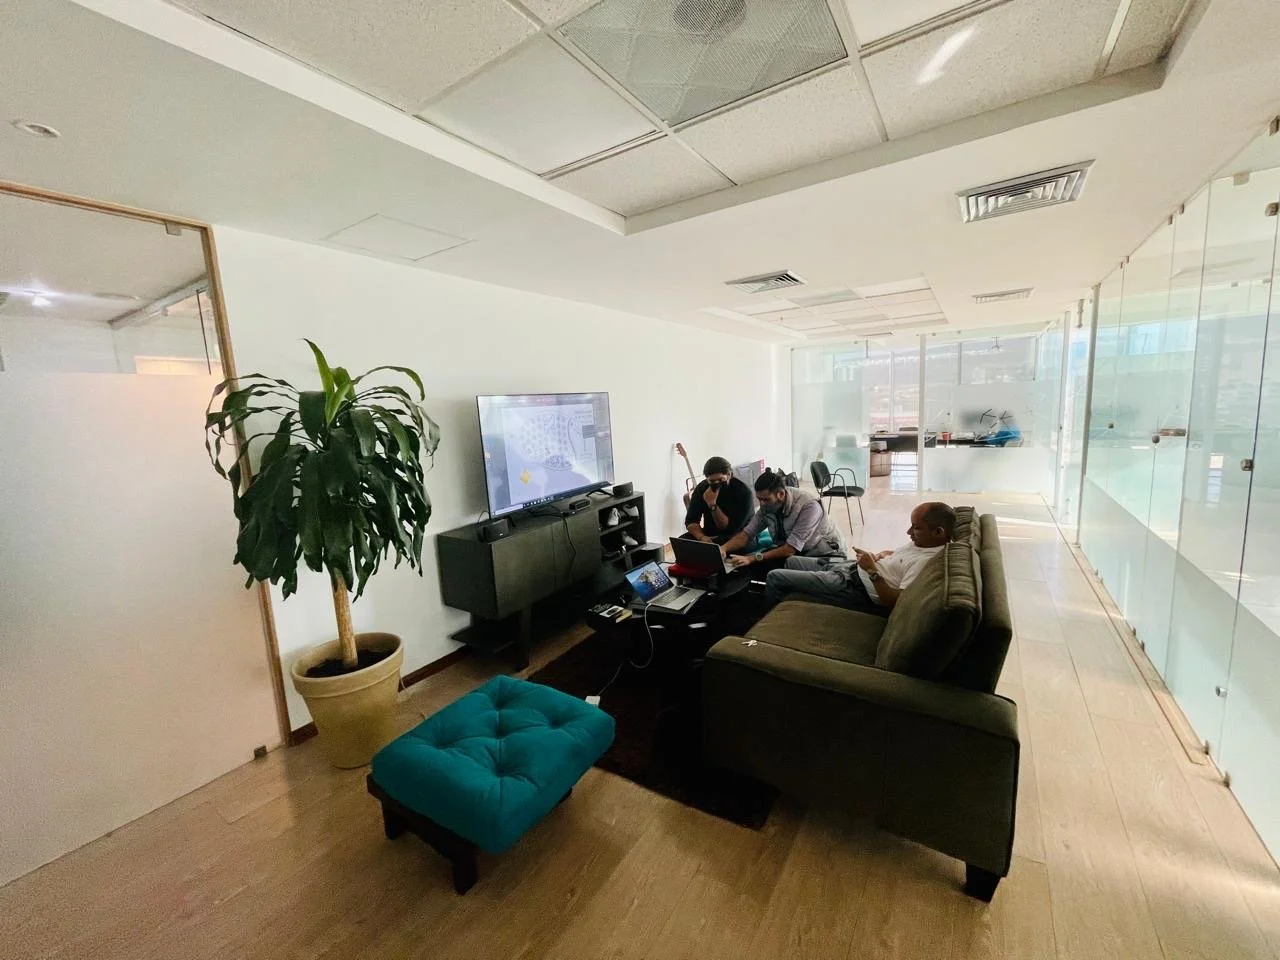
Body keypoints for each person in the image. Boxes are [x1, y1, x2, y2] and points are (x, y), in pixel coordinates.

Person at [764, 502, 956, 615]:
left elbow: (896, 603)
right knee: (790, 561)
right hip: (850, 567)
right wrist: (878, 556)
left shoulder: (926, 562)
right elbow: (895, 555)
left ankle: (765, 621)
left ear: (938, 532)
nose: (909, 532)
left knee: (775, 576)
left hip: (852, 585)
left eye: (916, 528)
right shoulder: (923, 543)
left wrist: (872, 569)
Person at [719, 469, 847, 573]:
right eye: (759, 499)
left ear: (780, 494)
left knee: (774, 570)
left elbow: (790, 549)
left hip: (825, 555)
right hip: (799, 552)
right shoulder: (767, 507)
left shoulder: (809, 506)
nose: (761, 504)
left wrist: (752, 558)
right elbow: (746, 534)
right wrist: (724, 548)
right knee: (747, 565)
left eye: (765, 499)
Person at [684, 456, 753, 544]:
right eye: (712, 481)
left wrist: (712, 504)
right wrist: (701, 537)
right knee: (683, 540)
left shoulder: (743, 493)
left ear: (729, 475)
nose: (717, 484)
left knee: (722, 542)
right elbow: (691, 521)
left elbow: (728, 529)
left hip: (738, 535)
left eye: (721, 480)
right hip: (710, 534)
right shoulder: (702, 488)